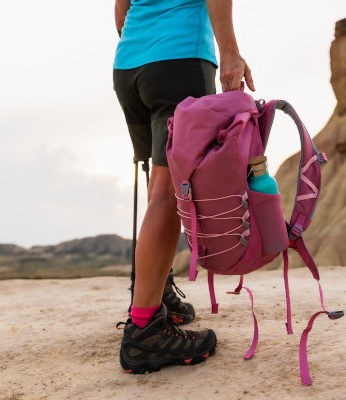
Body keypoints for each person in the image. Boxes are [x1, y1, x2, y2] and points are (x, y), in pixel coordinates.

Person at [113, 0, 254, 373]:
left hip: (129, 66)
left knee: (157, 183)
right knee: (168, 192)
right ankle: (145, 331)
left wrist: (142, 48)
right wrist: (230, 53)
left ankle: (155, 295)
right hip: (179, 61)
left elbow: (121, 6)